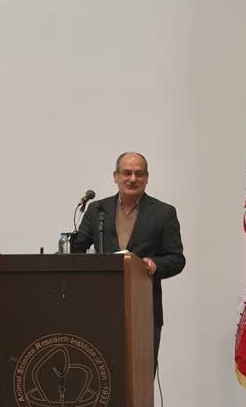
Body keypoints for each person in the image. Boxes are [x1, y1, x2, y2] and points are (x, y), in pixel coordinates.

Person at [71, 151, 185, 371]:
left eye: (139, 174)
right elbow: (78, 250)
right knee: (102, 375)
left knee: (140, 374)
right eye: (127, 173)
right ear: (115, 176)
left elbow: (176, 258)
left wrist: (154, 264)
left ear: (147, 178)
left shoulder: (164, 213)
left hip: (145, 310)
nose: (133, 179)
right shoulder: (97, 210)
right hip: (100, 309)